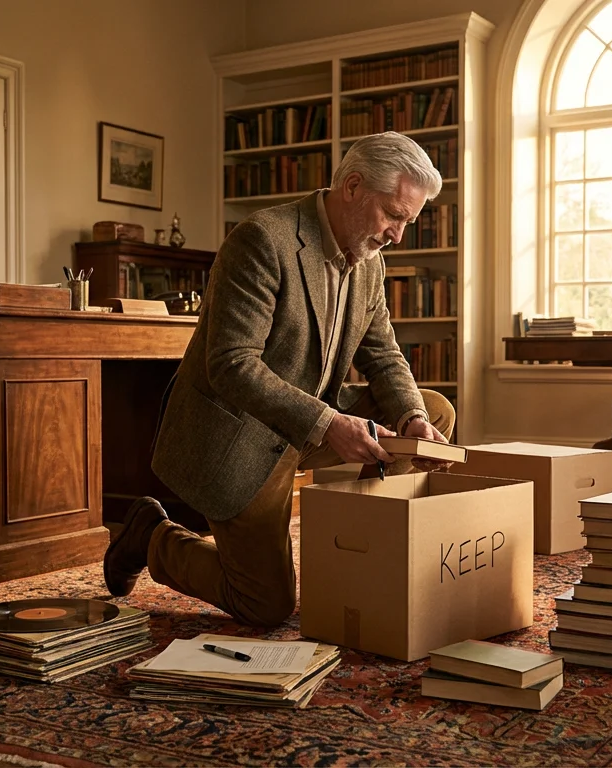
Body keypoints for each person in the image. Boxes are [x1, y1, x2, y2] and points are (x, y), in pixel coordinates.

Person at [102, 131, 457, 627]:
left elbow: (383, 354)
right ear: (353, 186)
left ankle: (362, 550)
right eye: (394, 216)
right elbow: (230, 364)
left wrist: (412, 416)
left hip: (307, 420)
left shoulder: (370, 263)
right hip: (241, 432)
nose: (398, 235)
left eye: (408, 221)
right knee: (265, 606)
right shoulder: (263, 239)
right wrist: (329, 423)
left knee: (433, 410)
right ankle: (152, 536)